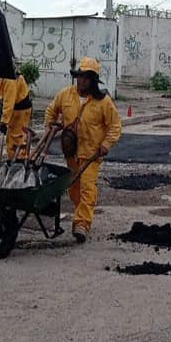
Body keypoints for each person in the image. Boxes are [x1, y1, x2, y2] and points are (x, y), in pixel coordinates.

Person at [44, 57, 122, 243]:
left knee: (87, 189)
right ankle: (82, 214)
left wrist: (106, 145)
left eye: (86, 77)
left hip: (91, 153)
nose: (82, 81)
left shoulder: (103, 102)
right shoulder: (66, 95)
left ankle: (82, 224)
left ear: (93, 80)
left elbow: (115, 125)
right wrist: (50, 128)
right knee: (74, 190)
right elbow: (51, 111)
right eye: (80, 76)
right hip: (71, 152)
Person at [0, 72, 32, 159]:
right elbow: (0, 90)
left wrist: (4, 122)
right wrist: (1, 99)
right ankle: (15, 161)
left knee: (17, 140)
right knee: (12, 139)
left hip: (20, 111)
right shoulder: (2, 76)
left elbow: (9, 102)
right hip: (17, 110)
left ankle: (19, 164)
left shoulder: (10, 79)